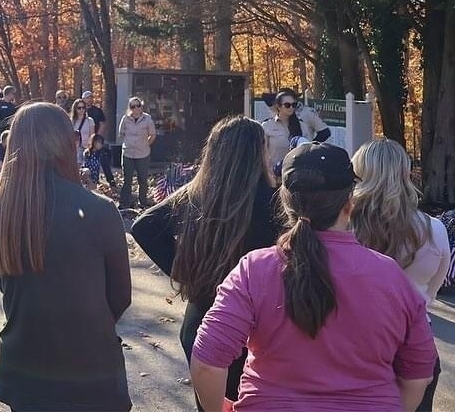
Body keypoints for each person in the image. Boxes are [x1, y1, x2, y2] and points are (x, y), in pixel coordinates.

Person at [191, 142, 437, 411]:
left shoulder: (255, 269)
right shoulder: (391, 275)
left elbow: (206, 363)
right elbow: (418, 374)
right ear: (350, 202)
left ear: (286, 201)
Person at [0, 103, 131, 412]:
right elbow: (120, 296)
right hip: (91, 366)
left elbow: (6, 283)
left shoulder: (0, 209)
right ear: (64, 142)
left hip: (24, 364)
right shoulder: (99, 210)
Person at [130, 116, 277, 409]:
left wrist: (186, 273)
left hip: (203, 319)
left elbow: (144, 226)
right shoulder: (275, 202)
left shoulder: (195, 196)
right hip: (259, 326)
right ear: (259, 152)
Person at [351, 138, 451, 411]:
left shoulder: (343, 227)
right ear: (405, 174)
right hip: (416, 345)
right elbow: (431, 292)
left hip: (353, 346)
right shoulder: (434, 230)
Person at [261, 88, 330, 177]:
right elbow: (262, 153)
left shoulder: (303, 126)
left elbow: (309, 147)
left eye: (294, 105)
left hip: (298, 176)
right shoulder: (267, 126)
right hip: (275, 175)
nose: (291, 107)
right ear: (278, 106)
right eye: (287, 105)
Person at [117, 96, 156, 209]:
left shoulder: (147, 119)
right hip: (128, 153)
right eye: (133, 106)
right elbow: (121, 133)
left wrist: (145, 144)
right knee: (127, 179)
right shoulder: (125, 118)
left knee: (142, 179)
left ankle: (143, 202)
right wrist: (129, 142)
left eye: (138, 106)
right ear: (130, 108)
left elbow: (152, 135)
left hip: (143, 154)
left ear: (141, 106)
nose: (135, 108)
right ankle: (124, 203)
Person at [70, 98, 95, 166]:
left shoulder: (90, 120)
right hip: (75, 150)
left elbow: (92, 136)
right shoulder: (71, 121)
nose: (81, 110)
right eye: (79, 108)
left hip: (86, 149)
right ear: (75, 109)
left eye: (83, 107)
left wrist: (89, 148)